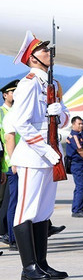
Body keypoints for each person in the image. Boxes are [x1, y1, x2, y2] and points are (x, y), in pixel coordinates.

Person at [9, 31, 71, 280]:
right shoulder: (28, 84)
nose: (49, 53)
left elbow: (64, 118)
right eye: (44, 50)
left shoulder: (53, 85)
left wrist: (59, 112)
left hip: (50, 153)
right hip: (34, 155)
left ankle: (42, 263)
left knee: (43, 210)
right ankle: (28, 267)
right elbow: (21, 124)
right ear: (33, 58)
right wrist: (47, 150)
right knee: (27, 210)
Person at [0, 79, 18, 245]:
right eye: (13, 92)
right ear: (5, 95)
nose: (16, 94)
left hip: (20, 162)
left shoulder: (19, 111)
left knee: (12, 201)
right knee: (10, 202)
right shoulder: (1, 113)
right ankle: (9, 235)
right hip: (8, 163)